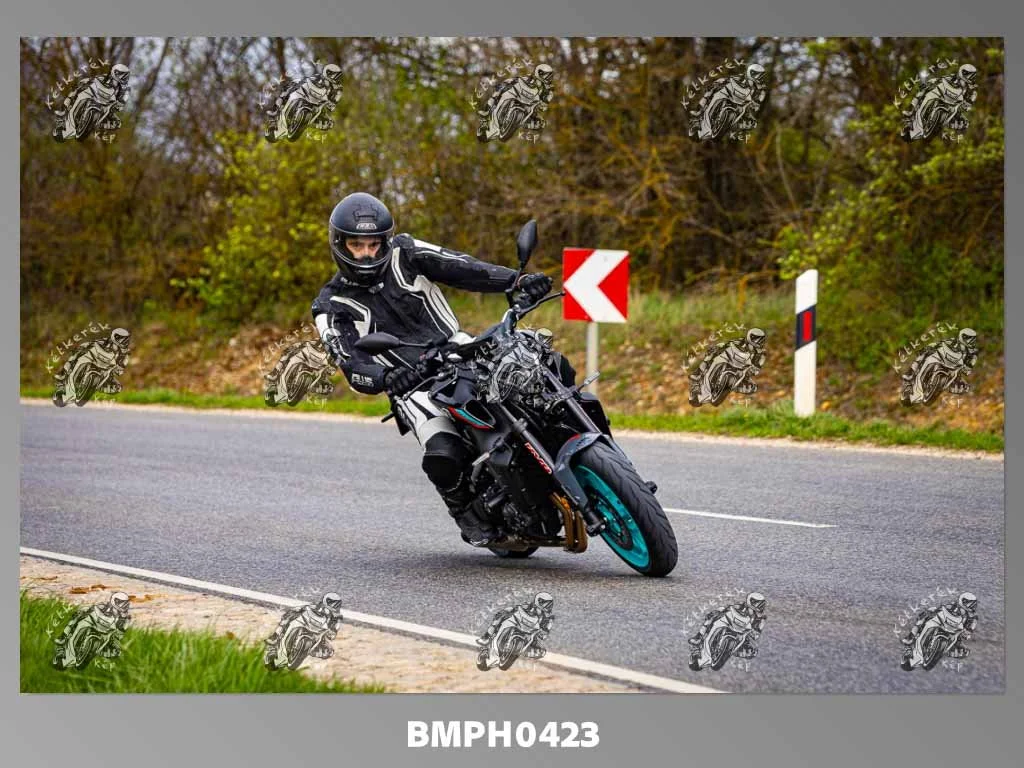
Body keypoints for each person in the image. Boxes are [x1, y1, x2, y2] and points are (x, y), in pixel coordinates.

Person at [311, 193, 552, 546]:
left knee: (541, 372)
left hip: (461, 348)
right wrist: (385, 377)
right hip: (412, 385)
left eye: (374, 244)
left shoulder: (406, 252)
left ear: (386, 240)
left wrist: (516, 281)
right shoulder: (330, 305)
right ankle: (465, 511)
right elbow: (350, 362)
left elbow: (462, 267)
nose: (367, 254)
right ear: (339, 245)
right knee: (443, 453)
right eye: (357, 245)